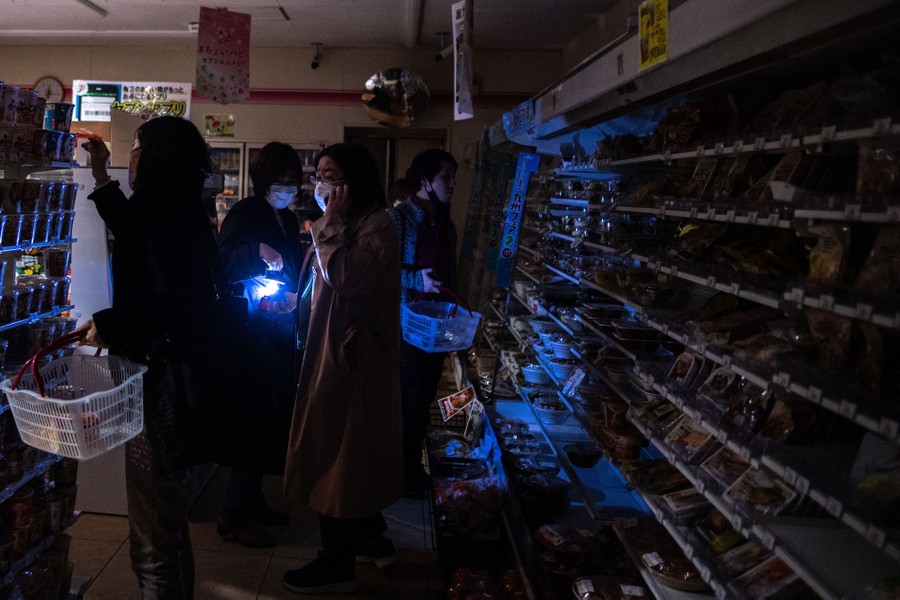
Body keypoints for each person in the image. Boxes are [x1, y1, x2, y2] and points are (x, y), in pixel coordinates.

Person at [77, 116, 220, 599]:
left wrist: (110, 323)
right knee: (168, 526)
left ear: (155, 157)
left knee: (153, 541)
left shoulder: (166, 213)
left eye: (136, 147)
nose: (130, 156)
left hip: (159, 386)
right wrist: (100, 176)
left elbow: (169, 304)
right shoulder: (176, 207)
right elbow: (133, 228)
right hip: (174, 379)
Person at [282, 143, 402, 594]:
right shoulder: (351, 222)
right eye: (319, 174)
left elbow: (348, 278)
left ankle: (337, 563)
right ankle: (369, 539)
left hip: (351, 360)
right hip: (329, 352)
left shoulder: (376, 226)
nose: (321, 184)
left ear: (355, 180)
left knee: (339, 457)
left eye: (330, 175)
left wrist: (327, 224)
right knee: (341, 454)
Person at [215, 142, 306, 547]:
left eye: (292, 182)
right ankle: (234, 512)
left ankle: (251, 503)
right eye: (279, 182)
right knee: (250, 421)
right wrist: (255, 251)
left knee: (268, 419)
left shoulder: (286, 217)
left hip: (275, 328)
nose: (286, 189)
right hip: (248, 335)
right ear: (262, 181)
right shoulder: (247, 212)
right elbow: (223, 261)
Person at [387, 148, 458, 498]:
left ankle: (410, 469)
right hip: (407, 327)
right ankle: (402, 474)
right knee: (408, 402)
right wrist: (417, 281)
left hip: (438, 328)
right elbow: (381, 270)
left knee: (424, 398)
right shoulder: (398, 219)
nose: (453, 184)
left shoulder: (447, 224)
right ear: (425, 181)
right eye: (447, 177)